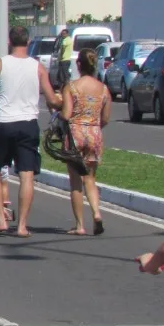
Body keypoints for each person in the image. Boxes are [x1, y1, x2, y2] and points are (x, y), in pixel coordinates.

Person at [0, 26, 63, 237]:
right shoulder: (37, 67)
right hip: (28, 124)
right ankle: (21, 226)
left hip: (2, 123)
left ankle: (1, 220)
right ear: (28, 42)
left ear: (10, 42)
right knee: (27, 175)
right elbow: (51, 99)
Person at [62, 49, 110, 236]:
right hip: (94, 133)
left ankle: (80, 225)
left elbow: (66, 114)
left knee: (75, 181)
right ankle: (97, 213)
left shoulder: (72, 87)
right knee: (90, 178)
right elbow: (105, 118)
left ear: (79, 65)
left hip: (76, 134)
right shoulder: (103, 89)